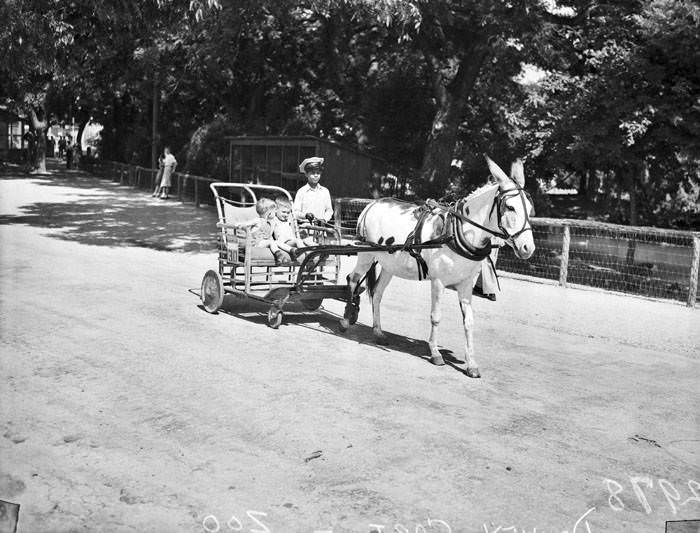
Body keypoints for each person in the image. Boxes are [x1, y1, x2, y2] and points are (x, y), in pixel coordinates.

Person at [239, 198, 290, 265]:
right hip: (256, 243)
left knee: (276, 242)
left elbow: (271, 235)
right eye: (274, 212)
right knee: (272, 243)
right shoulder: (258, 220)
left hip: (264, 243)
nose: (275, 213)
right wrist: (240, 225)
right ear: (269, 213)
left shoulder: (270, 223)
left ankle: (292, 250)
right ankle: (279, 255)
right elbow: (246, 223)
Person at [272, 197, 307, 261]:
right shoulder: (274, 219)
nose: (286, 214)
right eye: (283, 212)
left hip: (291, 240)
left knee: (305, 240)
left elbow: (292, 229)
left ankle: (317, 250)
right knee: (298, 241)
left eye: (288, 213)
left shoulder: (288, 220)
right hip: (283, 243)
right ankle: (307, 254)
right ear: (276, 210)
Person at [473, 237, 504, 301]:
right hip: (492, 235)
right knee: (489, 260)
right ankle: (488, 290)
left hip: (496, 235)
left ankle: (479, 287)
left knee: (492, 258)